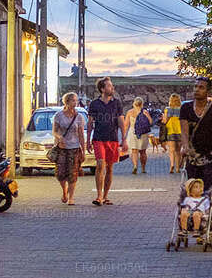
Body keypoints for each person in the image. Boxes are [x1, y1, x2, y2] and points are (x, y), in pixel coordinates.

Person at [180, 76, 212, 192]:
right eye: (195, 87)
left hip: (210, 154)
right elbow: (184, 132)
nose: (197, 90)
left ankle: (207, 207)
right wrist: (185, 146)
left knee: (207, 186)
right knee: (191, 187)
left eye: (201, 87)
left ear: (208, 92)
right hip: (192, 154)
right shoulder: (186, 108)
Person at [86, 76, 124, 206]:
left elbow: (121, 121)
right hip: (98, 138)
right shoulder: (94, 104)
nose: (112, 88)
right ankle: (99, 196)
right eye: (109, 86)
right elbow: (90, 122)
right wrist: (88, 139)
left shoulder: (117, 103)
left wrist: (124, 139)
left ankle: (106, 195)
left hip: (112, 138)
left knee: (110, 167)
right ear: (102, 89)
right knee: (100, 164)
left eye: (111, 85)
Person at [51, 92, 88, 206]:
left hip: (74, 148)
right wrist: (59, 137)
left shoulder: (79, 117)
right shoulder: (59, 115)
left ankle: (71, 197)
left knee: (73, 174)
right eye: (73, 100)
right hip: (62, 148)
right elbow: (54, 131)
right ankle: (64, 191)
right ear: (67, 102)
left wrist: (84, 149)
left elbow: (81, 134)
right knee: (60, 174)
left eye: (76, 101)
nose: (75, 103)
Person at [125, 97, 151, 174]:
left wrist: (124, 135)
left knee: (134, 151)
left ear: (134, 103)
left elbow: (126, 124)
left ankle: (135, 166)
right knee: (143, 152)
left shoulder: (130, 112)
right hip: (143, 133)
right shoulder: (145, 112)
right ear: (142, 104)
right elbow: (150, 122)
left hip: (133, 132)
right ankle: (143, 168)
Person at [163, 93, 183, 174]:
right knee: (178, 151)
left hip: (170, 131)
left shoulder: (167, 109)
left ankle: (172, 165)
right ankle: (178, 168)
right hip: (180, 131)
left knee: (171, 150)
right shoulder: (181, 109)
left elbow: (165, 121)